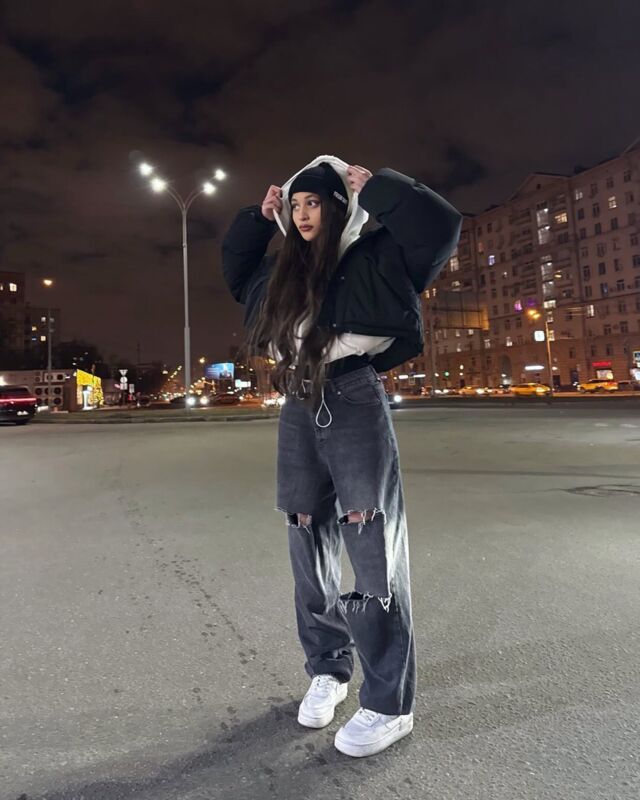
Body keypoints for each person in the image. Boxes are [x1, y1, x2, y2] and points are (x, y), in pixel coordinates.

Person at [221, 156, 461, 756]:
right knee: (305, 535)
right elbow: (236, 270)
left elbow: (440, 229)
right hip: (298, 400)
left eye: (315, 202)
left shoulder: (376, 254)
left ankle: (388, 703)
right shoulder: (282, 272)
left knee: (370, 540)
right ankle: (328, 668)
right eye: (296, 205)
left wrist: (381, 189)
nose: (303, 214)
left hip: (353, 394)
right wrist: (258, 219)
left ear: (337, 206)